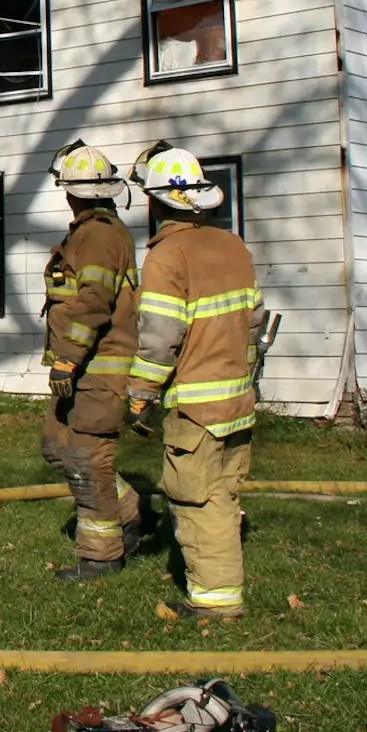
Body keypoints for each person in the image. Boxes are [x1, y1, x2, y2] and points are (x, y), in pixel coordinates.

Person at [126, 143, 268, 621]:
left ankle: (214, 600)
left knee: (195, 497)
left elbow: (161, 337)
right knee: (224, 493)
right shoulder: (233, 246)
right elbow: (254, 320)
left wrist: (141, 393)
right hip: (238, 398)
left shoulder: (168, 257)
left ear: (156, 200)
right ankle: (223, 587)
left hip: (197, 407)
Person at [39, 140, 143, 581]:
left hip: (99, 369)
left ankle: (101, 556)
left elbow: (94, 301)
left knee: (88, 458)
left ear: (72, 191)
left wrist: (68, 358)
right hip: (82, 368)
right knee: (57, 446)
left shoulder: (99, 236)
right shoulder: (89, 233)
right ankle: (129, 512)